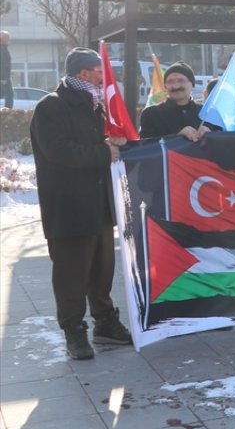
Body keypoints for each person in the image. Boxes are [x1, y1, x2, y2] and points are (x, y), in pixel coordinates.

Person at [30, 47, 132, 359]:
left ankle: (104, 323)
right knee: (71, 274)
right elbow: (58, 151)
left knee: (102, 270)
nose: (105, 77)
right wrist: (105, 152)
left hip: (98, 206)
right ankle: (73, 331)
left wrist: (116, 143)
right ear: (84, 73)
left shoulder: (96, 106)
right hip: (68, 208)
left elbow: (99, 145)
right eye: (100, 71)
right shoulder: (51, 106)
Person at [139, 62, 212, 141]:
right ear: (165, 86)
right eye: (170, 81)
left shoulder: (207, 114)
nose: (176, 86)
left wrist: (212, 135)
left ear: (192, 85)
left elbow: (222, 145)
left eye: (181, 80)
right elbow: (146, 148)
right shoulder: (151, 114)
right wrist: (177, 139)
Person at [0, 30, 12, 109]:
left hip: (4, 77)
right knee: (9, 95)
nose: (9, 40)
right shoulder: (1, 49)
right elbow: (2, 63)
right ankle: (8, 111)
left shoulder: (4, 48)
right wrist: (3, 78)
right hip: (4, 78)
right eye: (7, 38)